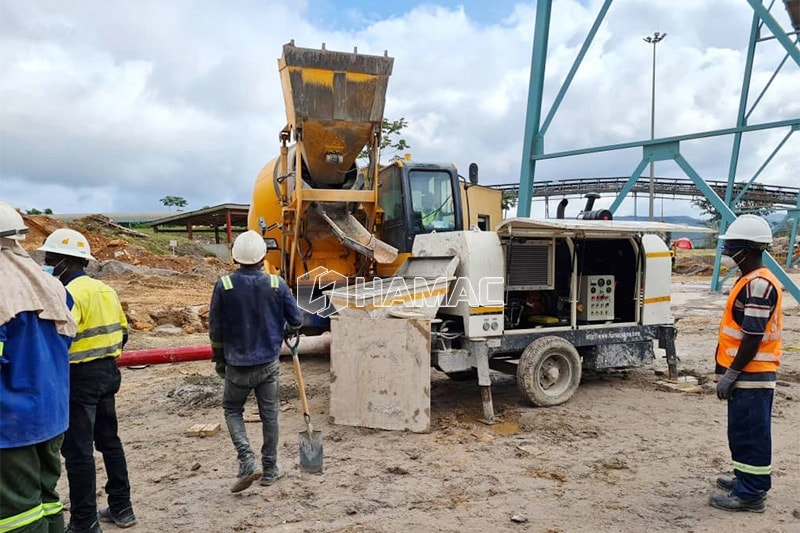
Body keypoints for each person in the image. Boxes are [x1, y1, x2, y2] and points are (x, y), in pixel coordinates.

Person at [39, 228, 136, 533]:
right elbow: (123, 332)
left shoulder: (69, 294)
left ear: (66, 261)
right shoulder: (106, 290)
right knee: (109, 442)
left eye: (50, 258)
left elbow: (58, 338)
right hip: (108, 373)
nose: (47, 263)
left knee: (78, 451)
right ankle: (122, 507)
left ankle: (84, 521)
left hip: (80, 378)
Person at [0, 201, 76, 533]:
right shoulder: (52, 287)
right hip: (52, 414)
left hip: (11, 424)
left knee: (16, 511)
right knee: (47, 498)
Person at [209, 230, 303, 493]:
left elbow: (215, 331)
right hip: (268, 364)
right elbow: (297, 321)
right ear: (263, 256)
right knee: (269, 415)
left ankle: (247, 460)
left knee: (232, 409)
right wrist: (283, 330)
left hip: (237, 365)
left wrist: (219, 361)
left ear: (235, 257)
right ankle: (270, 469)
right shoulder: (277, 284)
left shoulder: (224, 285)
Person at [709, 214, 782, 513]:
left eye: (732, 246)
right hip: (746, 374)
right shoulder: (749, 280)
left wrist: (733, 373)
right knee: (741, 430)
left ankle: (751, 494)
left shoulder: (758, 286)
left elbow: (752, 337)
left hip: (752, 374)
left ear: (749, 249)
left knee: (750, 432)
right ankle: (745, 477)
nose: (727, 252)